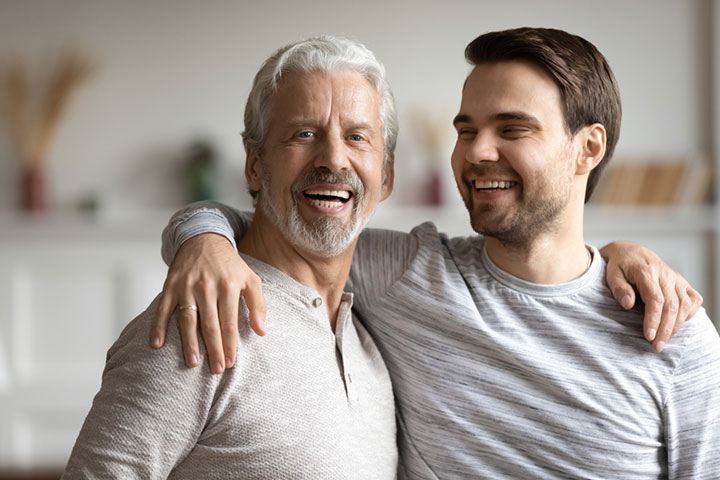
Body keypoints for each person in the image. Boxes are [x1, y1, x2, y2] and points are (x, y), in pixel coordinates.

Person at [156, 28, 718, 478]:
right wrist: (202, 241)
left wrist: (623, 252)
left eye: (512, 128)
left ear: (587, 148)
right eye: (466, 129)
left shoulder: (670, 331)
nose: (477, 152)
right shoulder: (406, 272)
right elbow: (277, 220)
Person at [62, 36, 399, 479]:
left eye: (357, 137)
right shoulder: (198, 320)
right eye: (304, 134)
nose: (334, 158)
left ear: (386, 175)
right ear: (254, 165)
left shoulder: (371, 347)